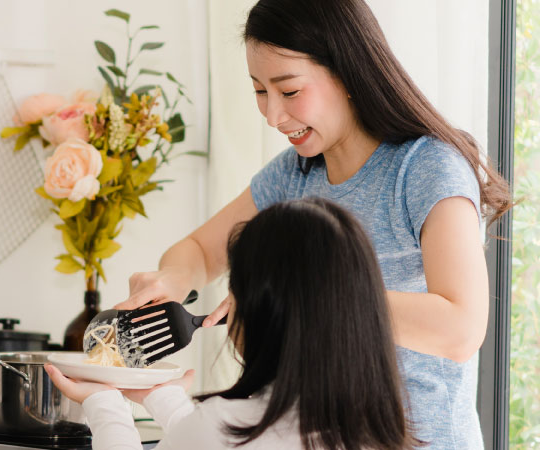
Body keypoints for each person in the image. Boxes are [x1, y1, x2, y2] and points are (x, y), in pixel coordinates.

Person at [113, 0, 512, 448]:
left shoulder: (426, 167)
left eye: (288, 91)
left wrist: (308, 295)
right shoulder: (295, 174)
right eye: (260, 91)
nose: (272, 116)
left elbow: (460, 329)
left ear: (346, 73)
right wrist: (171, 279)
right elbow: (201, 251)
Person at [45, 198, 417, 449]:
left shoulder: (218, 425)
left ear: (261, 308)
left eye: (233, 288)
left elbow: (214, 437)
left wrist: (104, 403)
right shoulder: (375, 433)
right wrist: (162, 396)